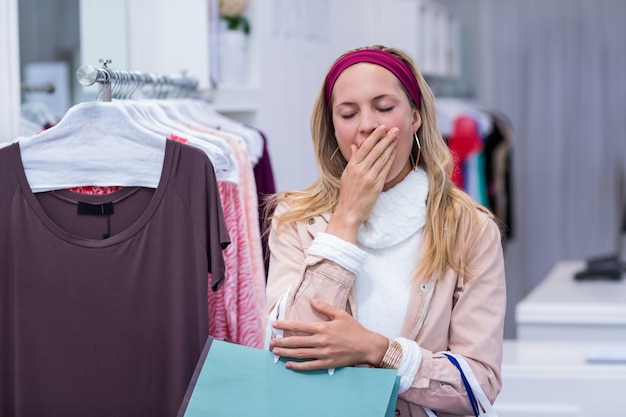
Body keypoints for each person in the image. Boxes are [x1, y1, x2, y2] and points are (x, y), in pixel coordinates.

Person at [265, 45, 506, 416]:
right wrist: (346, 217)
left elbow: (479, 388)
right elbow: (286, 347)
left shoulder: (469, 229)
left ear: (415, 116)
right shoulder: (296, 220)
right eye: (348, 113)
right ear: (333, 127)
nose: (366, 125)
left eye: (383, 107)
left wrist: (377, 350)